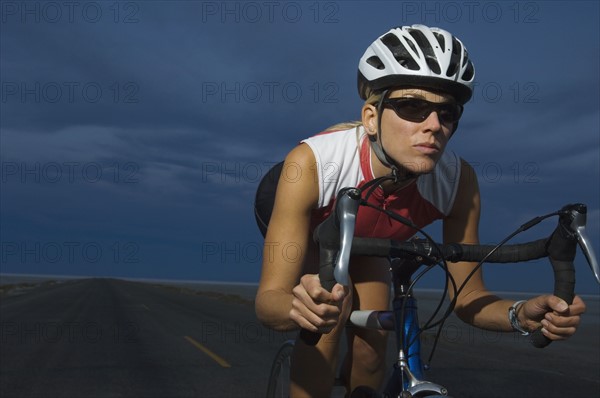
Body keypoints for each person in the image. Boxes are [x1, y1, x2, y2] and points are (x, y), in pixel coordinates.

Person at [254, 24, 586, 397]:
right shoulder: (312, 162)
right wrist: (299, 307)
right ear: (371, 118)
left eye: (448, 113)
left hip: (373, 237)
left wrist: (520, 314)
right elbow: (269, 302)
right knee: (329, 315)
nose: (434, 126)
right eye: (413, 106)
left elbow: (466, 297)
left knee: (374, 350)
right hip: (315, 219)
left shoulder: (458, 182)